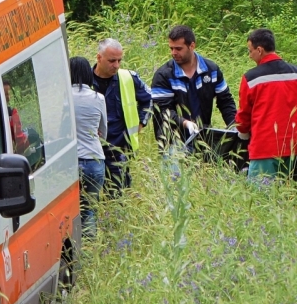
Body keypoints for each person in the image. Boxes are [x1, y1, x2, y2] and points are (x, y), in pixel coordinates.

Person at [235, 28, 297, 182]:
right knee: (289, 194)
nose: (249, 55)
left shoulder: (250, 79)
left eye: (250, 51)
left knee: (260, 196)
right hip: (295, 150)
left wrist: (243, 133)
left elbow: (243, 119)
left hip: (264, 150)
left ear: (259, 50)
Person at [151, 25, 237, 152]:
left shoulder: (211, 70)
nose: (173, 53)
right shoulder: (163, 75)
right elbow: (162, 111)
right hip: (173, 143)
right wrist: (185, 123)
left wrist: (234, 127)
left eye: (178, 48)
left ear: (192, 46)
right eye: (171, 48)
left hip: (204, 140)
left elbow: (226, 101)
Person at [92, 38, 152, 197]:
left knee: (117, 197)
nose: (117, 65)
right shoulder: (84, 80)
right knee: (90, 198)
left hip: (119, 147)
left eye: (119, 60)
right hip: (90, 149)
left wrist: (141, 123)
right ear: (99, 58)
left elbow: (149, 99)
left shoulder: (128, 78)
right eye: (112, 61)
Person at [70, 56, 107, 239]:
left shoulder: (64, 96)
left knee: (71, 210)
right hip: (95, 159)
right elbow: (103, 132)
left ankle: (74, 247)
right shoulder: (98, 98)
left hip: (71, 162)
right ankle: (91, 248)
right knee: (89, 209)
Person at [3, 80, 30, 154]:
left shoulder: (5, 113)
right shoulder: (12, 113)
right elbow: (19, 139)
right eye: (5, 94)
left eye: (9, 94)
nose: (8, 97)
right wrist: (27, 143)